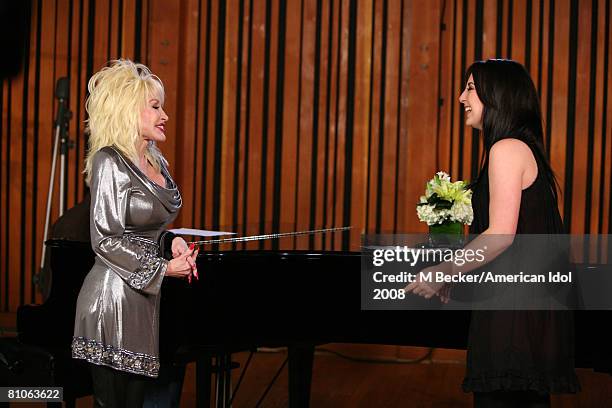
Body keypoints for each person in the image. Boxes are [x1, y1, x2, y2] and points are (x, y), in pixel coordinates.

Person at [405, 59, 579, 407]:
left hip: (513, 318)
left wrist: (443, 271)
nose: (460, 97)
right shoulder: (518, 149)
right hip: (521, 309)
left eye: (470, 88)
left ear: (498, 95)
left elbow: (501, 234)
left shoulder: (506, 150)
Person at [71, 59, 198, 407]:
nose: (165, 116)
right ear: (129, 111)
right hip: (111, 300)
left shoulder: (157, 162)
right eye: (155, 107)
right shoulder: (109, 161)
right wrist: (164, 269)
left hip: (142, 301)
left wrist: (173, 242)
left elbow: (147, 230)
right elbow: (106, 239)